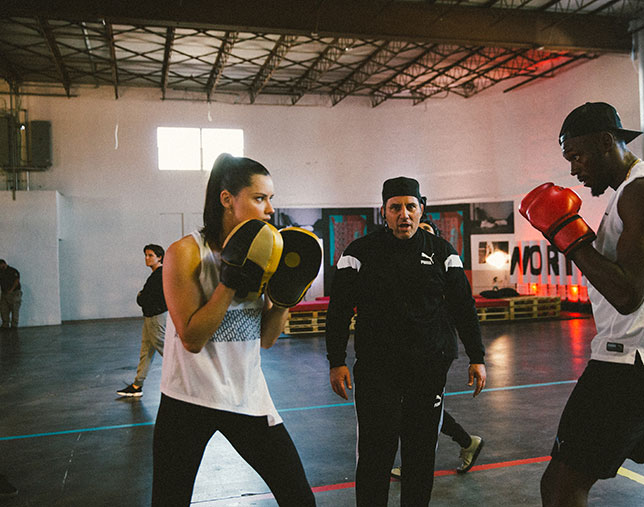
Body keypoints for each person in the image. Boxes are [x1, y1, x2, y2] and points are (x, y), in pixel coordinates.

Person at [520, 102, 644, 507]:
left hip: (633, 361)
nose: (574, 170)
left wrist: (567, 236)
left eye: (577, 156)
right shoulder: (633, 190)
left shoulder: (642, 191)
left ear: (605, 142)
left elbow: (628, 294)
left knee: (561, 485)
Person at [152, 153, 315, 506]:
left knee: (299, 499)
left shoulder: (267, 252)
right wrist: (229, 281)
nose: (270, 208)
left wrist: (285, 298)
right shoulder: (185, 253)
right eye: (259, 198)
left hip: (246, 396)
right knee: (169, 500)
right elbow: (192, 339)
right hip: (188, 399)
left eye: (271, 198)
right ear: (227, 199)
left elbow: (267, 339)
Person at [326, 176, 487, 506]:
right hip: (377, 373)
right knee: (375, 457)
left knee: (420, 458)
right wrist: (336, 361)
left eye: (411, 207)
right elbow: (338, 310)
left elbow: (463, 307)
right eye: (395, 207)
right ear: (383, 211)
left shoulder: (443, 253)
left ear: (421, 209)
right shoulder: (359, 253)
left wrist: (477, 356)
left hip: (426, 373)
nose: (404, 214)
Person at [390, 218, 484, 480]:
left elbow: (465, 310)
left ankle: (415, 466)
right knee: (414, 407)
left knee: (422, 411)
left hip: (437, 348)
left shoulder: (442, 266)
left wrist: (476, 357)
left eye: (426, 232)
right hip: (409, 349)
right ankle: (467, 442)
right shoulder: (403, 269)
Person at [117, 244, 168, 397]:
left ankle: (192, 380)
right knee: (146, 352)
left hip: (155, 319)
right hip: (151, 318)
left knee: (167, 351)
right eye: (146, 255)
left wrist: (141, 296)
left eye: (150, 255)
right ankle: (137, 385)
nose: (147, 258)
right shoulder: (157, 275)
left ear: (159, 257)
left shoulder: (158, 276)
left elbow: (144, 298)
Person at [0, 259, 22, 329]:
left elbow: (16, 281)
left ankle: (14, 326)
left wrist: (11, 290)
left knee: (15, 310)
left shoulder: (13, 271)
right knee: (3, 309)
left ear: (4, 264)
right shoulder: (1, 272)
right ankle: (5, 324)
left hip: (14, 293)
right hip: (4, 293)